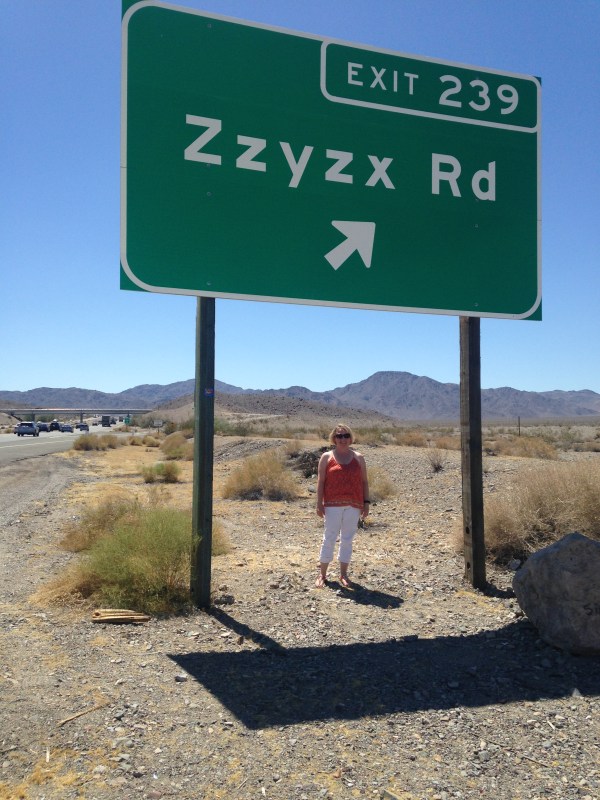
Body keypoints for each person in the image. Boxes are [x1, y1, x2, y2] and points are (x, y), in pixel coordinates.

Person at [315, 424, 370, 588]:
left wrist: (366, 503)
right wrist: (319, 503)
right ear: (334, 439)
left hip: (353, 504)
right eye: (339, 436)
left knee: (347, 539)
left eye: (346, 436)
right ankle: (322, 574)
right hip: (332, 504)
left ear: (351, 438)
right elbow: (321, 482)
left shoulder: (359, 458)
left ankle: (344, 574)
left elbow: (364, 482)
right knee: (329, 537)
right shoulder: (327, 457)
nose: (343, 439)